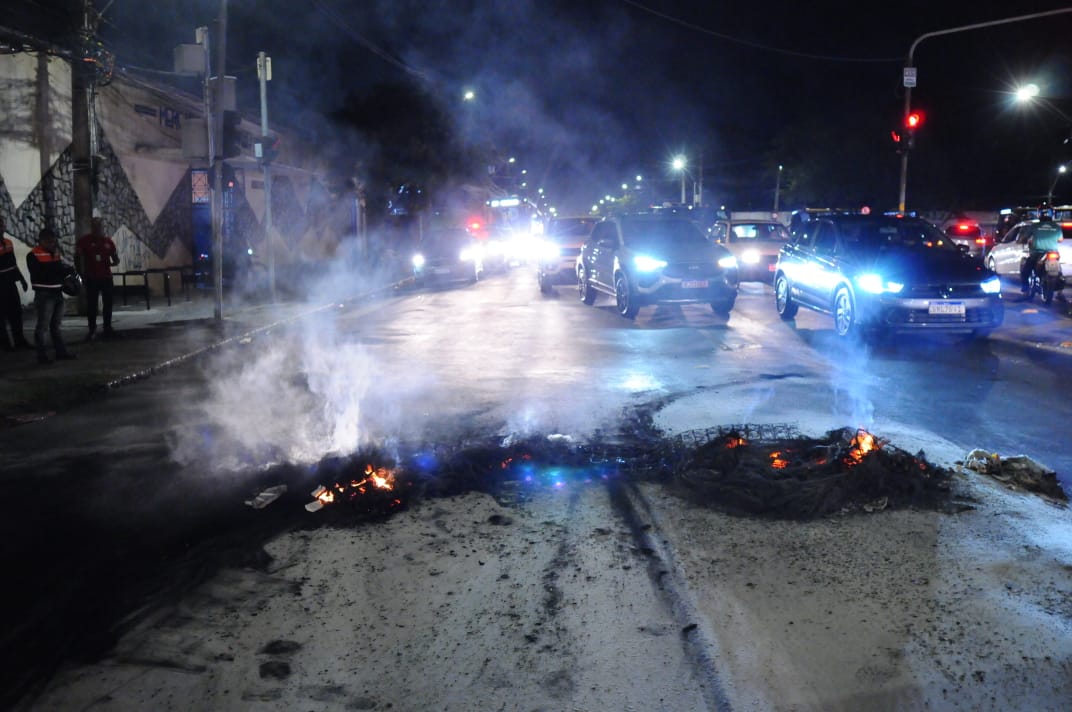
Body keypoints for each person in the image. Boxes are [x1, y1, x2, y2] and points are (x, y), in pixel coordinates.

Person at [26, 227, 76, 364]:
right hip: (44, 294)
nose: (52, 244)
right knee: (43, 326)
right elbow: (38, 275)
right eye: (49, 242)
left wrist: (67, 273)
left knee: (56, 326)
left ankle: (61, 352)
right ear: (41, 241)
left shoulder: (55, 253)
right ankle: (41, 356)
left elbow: (59, 271)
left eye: (53, 242)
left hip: (58, 293)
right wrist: (59, 271)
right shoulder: (33, 255)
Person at [76, 216, 120, 339]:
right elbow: (79, 258)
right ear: (92, 227)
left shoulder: (108, 242)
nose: (97, 228)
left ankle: (107, 327)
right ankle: (92, 329)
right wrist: (81, 274)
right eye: (95, 226)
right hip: (92, 277)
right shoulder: (84, 241)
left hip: (106, 277)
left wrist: (114, 262)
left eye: (99, 226)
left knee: (108, 303)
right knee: (92, 304)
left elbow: (115, 258)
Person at [0, 215, 32, 351]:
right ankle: (5, 344)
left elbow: (13, 264)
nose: (1, 228)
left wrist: (22, 279)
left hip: (10, 284)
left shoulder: (8, 242)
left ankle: (19, 340)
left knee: (16, 313)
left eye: (2, 225)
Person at [1019, 208, 1064, 293]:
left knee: (1025, 270)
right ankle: (1059, 292)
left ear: (1039, 214)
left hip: (1037, 253)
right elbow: (1061, 240)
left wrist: (1023, 240)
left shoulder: (1035, 226)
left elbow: (1025, 237)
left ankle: (1025, 287)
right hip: (1053, 253)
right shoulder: (1057, 227)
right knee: (1059, 270)